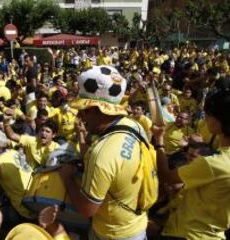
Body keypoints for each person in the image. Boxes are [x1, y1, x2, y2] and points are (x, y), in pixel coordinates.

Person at [59, 66, 156, 240]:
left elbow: (87, 210)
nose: (80, 116)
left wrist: (67, 178)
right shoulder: (135, 126)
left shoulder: (102, 153)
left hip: (112, 234)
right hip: (137, 225)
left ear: (97, 110)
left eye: (84, 110)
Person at [152, 90, 230, 240]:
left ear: (219, 120)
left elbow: (166, 176)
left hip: (187, 233)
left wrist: (159, 142)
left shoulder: (213, 164)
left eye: (209, 115)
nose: (205, 119)